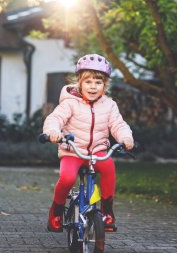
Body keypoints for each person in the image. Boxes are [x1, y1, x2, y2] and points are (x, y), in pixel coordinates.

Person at [43, 53, 134, 232]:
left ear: (105, 85)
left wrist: (126, 137)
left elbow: (118, 124)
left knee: (108, 167)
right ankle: (56, 210)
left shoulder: (109, 105)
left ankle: (107, 211)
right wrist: (53, 131)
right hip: (72, 151)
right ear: (79, 82)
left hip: (98, 152)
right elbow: (55, 118)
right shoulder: (70, 103)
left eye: (98, 82)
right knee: (67, 177)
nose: (93, 87)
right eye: (88, 82)